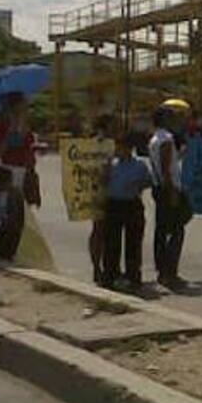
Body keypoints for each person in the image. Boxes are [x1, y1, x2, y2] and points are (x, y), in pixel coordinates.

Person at [101, 132, 151, 290]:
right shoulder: (112, 164)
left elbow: (148, 181)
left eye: (123, 147)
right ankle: (110, 275)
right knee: (112, 242)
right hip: (114, 204)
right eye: (118, 147)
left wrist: (138, 184)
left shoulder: (139, 165)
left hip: (132, 203)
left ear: (130, 148)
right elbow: (102, 182)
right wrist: (105, 172)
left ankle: (133, 276)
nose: (120, 150)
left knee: (133, 242)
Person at [149, 107, 190, 289]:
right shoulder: (166, 139)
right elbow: (166, 168)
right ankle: (169, 271)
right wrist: (172, 191)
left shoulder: (154, 139)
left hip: (159, 187)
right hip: (169, 188)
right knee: (176, 230)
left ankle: (162, 270)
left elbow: (167, 162)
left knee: (162, 230)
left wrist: (180, 154)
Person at [86, 115, 114, 285]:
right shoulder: (94, 144)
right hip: (97, 191)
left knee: (107, 232)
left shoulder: (113, 143)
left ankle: (106, 267)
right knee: (99, 230)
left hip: (114, 192)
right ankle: (97, 267)